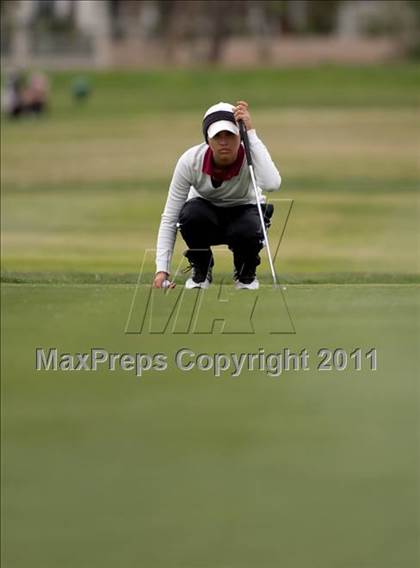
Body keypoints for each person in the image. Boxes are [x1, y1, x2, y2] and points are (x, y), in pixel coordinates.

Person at [153, 101, 281, 290]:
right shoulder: (190, 161)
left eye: (230, 134)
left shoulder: (251, 156)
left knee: (249, 225)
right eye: (217, 136)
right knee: (190, 215)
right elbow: (170, 216)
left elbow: (272, 184)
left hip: (245, 215)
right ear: (207, 139)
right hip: (205, 217)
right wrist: (161, 270)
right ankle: (202, 269)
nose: (223, 142)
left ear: (240, 136)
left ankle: (245, 272)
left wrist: (251, 134)